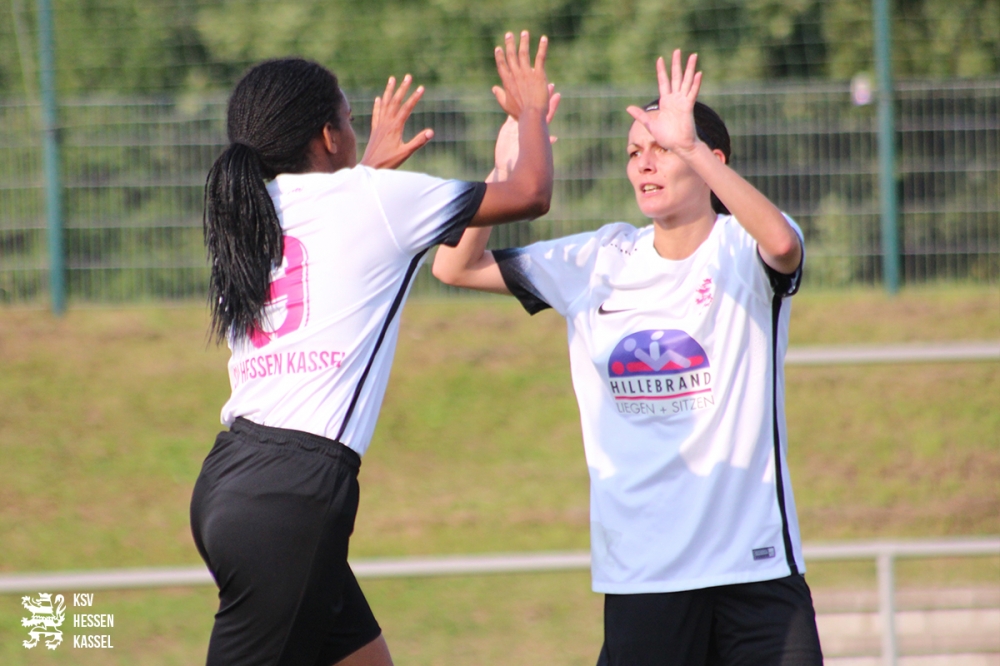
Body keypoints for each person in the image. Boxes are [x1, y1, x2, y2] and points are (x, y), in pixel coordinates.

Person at [432, 50, 824, 665]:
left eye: (662, 147)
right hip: (644, 576)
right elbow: (453, 266)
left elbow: (780, 243)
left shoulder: (742, 248)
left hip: (755, 569)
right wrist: (501, 176)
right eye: (634, 151)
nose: (644, 161)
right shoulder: (599, 259)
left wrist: (689, 143)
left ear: (711, 160)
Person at [190, 31, 555, 666]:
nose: (357, 131)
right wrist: (531, 113)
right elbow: (530, 194)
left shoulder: (250, 215)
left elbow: (341, 240)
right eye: (350, 120)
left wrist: (365, 170)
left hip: (233, 480)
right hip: (292, 497)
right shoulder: (373, 200)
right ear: (327, 138)